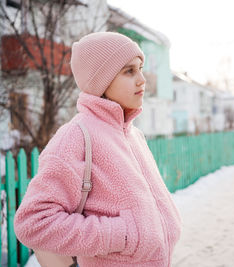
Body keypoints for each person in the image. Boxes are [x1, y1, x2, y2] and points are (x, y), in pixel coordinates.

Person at [14, 32, 182, 267]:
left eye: (140, 68)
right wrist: (123, 235)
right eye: (129, 71)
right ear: (101, 79)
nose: (142, 79)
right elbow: (34, 222)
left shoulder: (134, 135)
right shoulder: (77, 136)